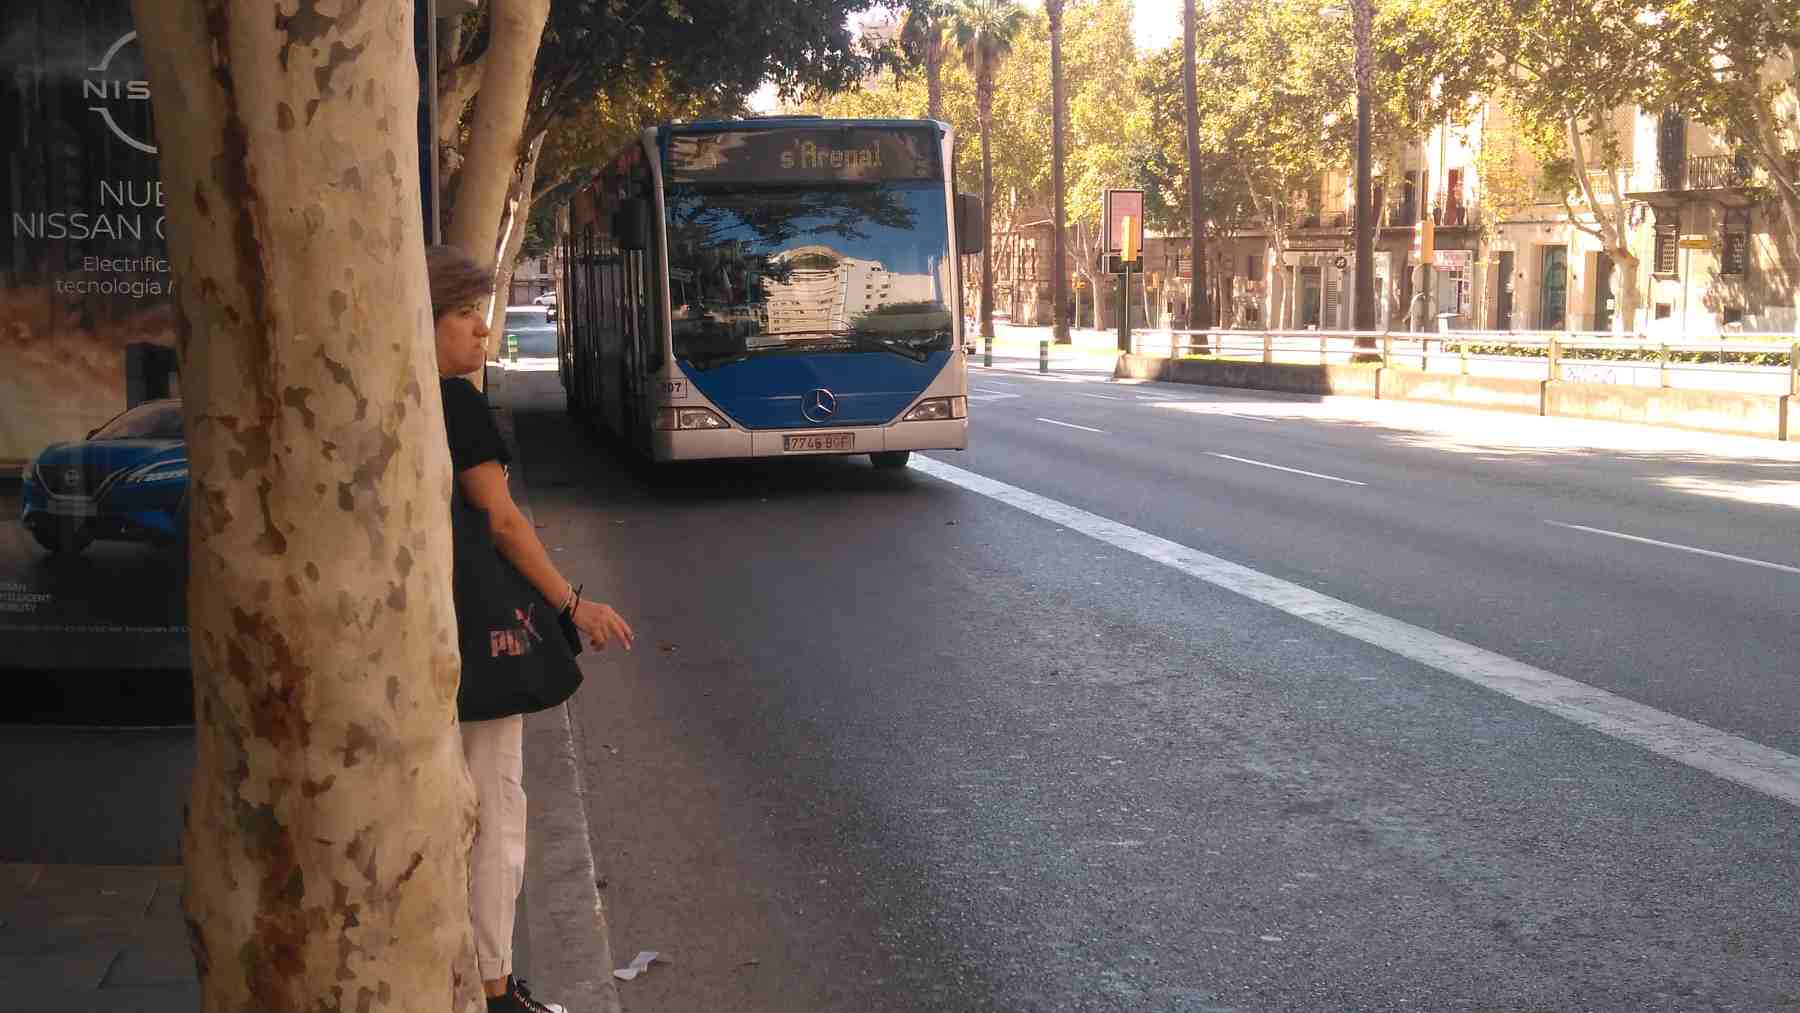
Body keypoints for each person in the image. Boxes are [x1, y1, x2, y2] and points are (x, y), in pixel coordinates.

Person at [427, 245, 635, 1013]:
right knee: (494, 806)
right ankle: (490, 985)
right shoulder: (453, 403)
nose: (481, 332)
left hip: (419, 626)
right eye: (463, 314)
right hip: (477, 632)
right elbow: (504, 521)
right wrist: (572, 604)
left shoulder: (398, 396)